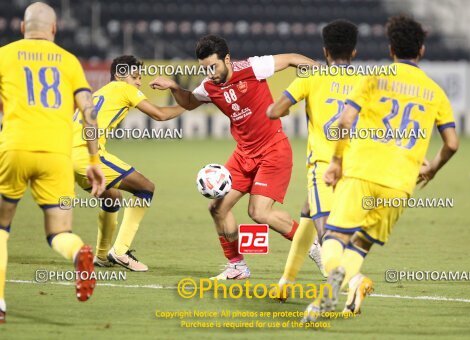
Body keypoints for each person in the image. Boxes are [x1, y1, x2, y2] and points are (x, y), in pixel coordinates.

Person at [302, 15, 459, 322]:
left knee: (333, 237)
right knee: (359, 245)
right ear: (422, 50)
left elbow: (345, 120)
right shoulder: (434, 91)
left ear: (390, 48)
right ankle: (350, 283)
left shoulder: (374, 77)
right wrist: (433, 168)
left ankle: (331, 287)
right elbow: (451, 143)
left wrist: (335, 161)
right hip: (400, 182)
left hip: (361, 171)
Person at [150, 34, 321, 279]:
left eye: (213, 66)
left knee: (259, 212)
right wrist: (176, 87)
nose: (210, 72)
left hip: (273, 149)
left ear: (227, 59)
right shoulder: (209, 86)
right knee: (218, 208)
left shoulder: (253, 67)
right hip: (244, 155)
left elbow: (293, 58)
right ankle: (237, 266)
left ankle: (315, 247)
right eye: (205, 68)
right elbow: (188, 102)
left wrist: (324, 72)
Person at [0, 2, 106, 323]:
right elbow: (89, 112)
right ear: (55, 29)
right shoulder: (70, 61)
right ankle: (78, 253)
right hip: (58, 155)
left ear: (22, 28)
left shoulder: (4, 55)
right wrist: (93, 159)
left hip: (15, 148)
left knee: (1, 228)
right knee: (59, 232)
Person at [267, 19, 371, 300]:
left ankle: (355, 280)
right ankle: (285, 284)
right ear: (354, 53)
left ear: (325, 52)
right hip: (357, 168)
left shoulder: (311, 78)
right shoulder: (367, 81)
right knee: (306, 216)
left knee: (328, 236)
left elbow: (273, 111)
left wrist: (285, 110)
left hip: (324, 167)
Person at [72, 55, 186, 271]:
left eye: (139, 77)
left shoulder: (98, 94)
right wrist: (189, 105)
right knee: (146, 188)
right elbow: (160, 115)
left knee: (112, 197)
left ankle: (102, 256)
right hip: (87, 154)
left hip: (69, 157)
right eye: (135, 76)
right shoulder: (124, 89)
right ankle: (121, 250)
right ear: (119, 75)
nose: (138, 82)